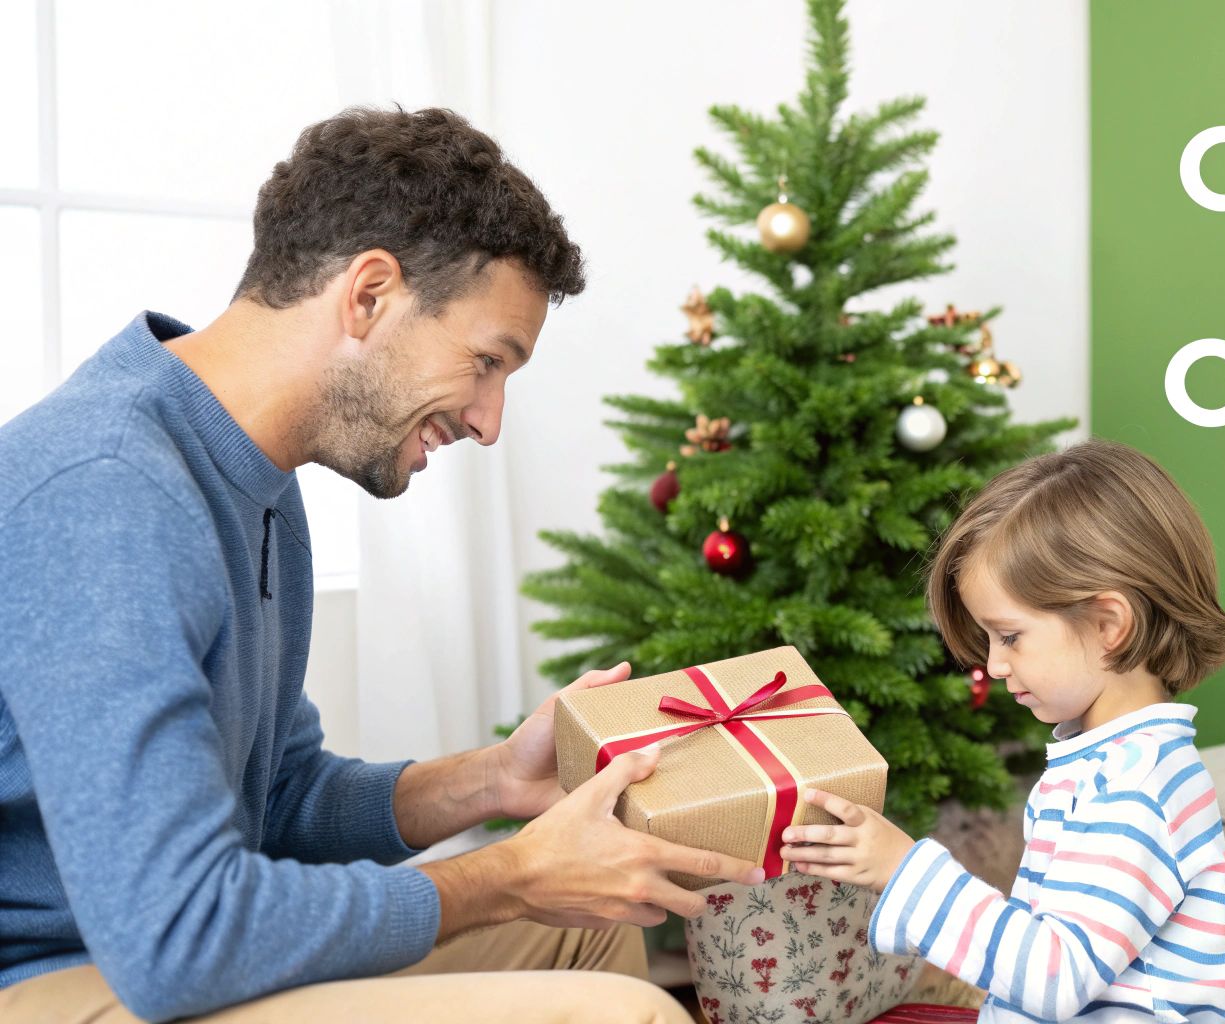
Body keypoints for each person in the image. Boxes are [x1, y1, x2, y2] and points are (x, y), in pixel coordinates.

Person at [0, 107, 761, 1023]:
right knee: (618, 1010)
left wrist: (492, 781)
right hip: (59, 980)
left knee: (586, 930)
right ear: (369, 294)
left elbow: (278, 797)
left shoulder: (255, 480)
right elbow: (179, 932)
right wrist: (514, 872)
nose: (489, 420)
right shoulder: (109, 492)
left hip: (149, 954)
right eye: (486, 361)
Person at [780, 438, 1225, 1022]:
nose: (994, 665)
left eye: (1009, 636)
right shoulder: (1102, 764)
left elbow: (1058, 979)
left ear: (1109, 626)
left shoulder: (1136, 785)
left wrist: (904, 870)